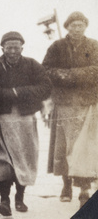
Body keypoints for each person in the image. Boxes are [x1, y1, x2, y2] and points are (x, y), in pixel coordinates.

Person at [0, 31, 51, 216]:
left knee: (24, 158)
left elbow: (45, 87)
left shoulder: (32, 65)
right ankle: (4, 200)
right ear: (2, 48)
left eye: (16, 47)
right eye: (9, 47)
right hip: (2, 118)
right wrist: (8, 94)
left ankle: (20, 198)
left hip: (25, 118)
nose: (13, 51)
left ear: (22, 48)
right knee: (2, 160)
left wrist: (19, 92)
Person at [42, 11, 98, 208]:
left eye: (81, 25)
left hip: (87, 103)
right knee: (64, 145)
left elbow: (96, 70)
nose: (77, 28)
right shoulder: (57, 47)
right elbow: (46, 70)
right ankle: (66, 185)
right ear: (67, 27)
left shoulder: (93, 45)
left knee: (86, 146)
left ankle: (84, 188)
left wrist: (72, 75)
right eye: (73, 25)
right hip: (64, 103)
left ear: (85, 27)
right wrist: (63, 77)